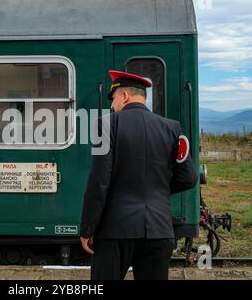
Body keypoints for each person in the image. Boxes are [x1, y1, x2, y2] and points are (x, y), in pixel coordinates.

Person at [79, 70, 198, 280]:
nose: (112, 106)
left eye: (113, 99)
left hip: (115, 230)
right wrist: (157, 188)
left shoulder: (105, 124)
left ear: (124, 96)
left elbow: (99, 181)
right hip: (159, 230)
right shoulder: (173, 128)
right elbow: (188, 177)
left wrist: (88, 228)